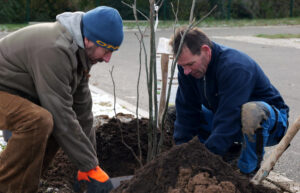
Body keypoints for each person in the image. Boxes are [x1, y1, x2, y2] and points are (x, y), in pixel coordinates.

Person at [0, 6, 123, 193]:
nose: (108, 59)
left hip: (15, 92)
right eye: (106, 50)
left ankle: (24, 186)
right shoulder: (55, 49)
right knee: (39, 120)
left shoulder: (80, 53)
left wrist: (91, 166)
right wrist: (88, 164)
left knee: (57, 125)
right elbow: (61, 113)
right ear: (89, 40)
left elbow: (82, 113)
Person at [169, 27, 289, 176]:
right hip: (226, 119)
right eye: (182, 66)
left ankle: (247, 172)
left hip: (269, 124)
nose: (186, 71)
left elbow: (229, 117)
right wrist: (182, 153)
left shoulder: (235, 67)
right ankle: (230, 153)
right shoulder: (187, 68)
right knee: (174, 113)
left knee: (252, 111)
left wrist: (207, 159)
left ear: (206, 50)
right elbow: (187, 108)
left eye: (190, 64)